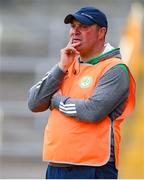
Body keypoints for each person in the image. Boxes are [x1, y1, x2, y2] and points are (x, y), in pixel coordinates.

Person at [28, 6, 135, 179]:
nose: (75, 32)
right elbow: (34, 102)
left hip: (92, 167)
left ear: (101, 32)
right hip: (56, 165)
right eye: (73, 27)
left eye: (83, 27)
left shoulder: (115, 69)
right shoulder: (66, 65)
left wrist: (56, 101)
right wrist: (61, 67)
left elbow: (91, 111)